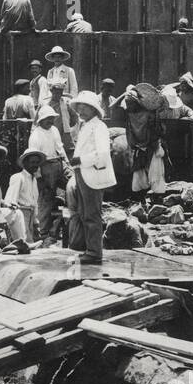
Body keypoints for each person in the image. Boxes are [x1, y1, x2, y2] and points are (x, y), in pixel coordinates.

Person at [66, 91, 115, 264]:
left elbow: (102, 154)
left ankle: (95, 252)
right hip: (82, 173)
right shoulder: (85, 126)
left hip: (92, 174)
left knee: (92, 214)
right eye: (78, 107)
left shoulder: (99, 127)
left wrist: (82, 159)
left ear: (94, 109)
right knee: (84, 213)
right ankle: (89, 248)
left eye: (84, 107)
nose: (80, 110)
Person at [28, 104, 68, 241]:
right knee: (46, 200)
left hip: (58, 163)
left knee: (72, 188)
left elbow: (60, 148)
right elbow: (34, 158)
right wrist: (39, 176)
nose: (50, 121)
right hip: (45, 167)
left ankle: (61, 227)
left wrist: (67, 164)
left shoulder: (55, 130)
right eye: (48, 119)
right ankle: (42, 233)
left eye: (52, 118)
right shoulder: (35, 135)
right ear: (41, 120)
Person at [120, 82, 166, 196]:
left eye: (130, 103)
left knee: (155, 174)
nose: (128, 106)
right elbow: (129, 134)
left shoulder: (149, 115)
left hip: (152, 145)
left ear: (137, 103)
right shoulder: (129, 116)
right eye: (127, 103)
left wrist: (153, 144)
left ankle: (157, 198)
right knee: (139, 174)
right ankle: (141, 200)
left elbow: (158, 131)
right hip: (139, 147)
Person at [0, 149, 42, 249]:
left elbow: (34, 201)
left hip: (31, 214)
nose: (35, 165)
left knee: (30, 245)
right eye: (32, 162)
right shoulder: (18, 177)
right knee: (24, 243)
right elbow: (10, 200)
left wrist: (36, 222)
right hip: (21, 213)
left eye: (37, 162)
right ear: (25, 163)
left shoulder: (34, 180)